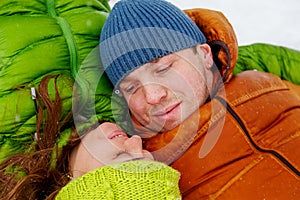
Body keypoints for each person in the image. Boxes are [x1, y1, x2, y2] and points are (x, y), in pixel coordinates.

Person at [99, 0, 300, 199]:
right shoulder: (144, 165)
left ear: (205, 55)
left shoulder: (263, 76)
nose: (152, 96)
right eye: (131, 88)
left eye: (164, 68)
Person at [0, 75, 181, 200]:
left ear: (74, 182)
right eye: (144, 153)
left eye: (121, 157)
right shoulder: (132, 112)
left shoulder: (9, 133)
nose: (136, 141)